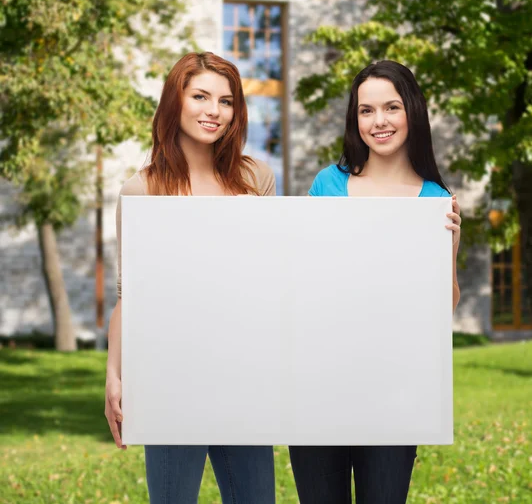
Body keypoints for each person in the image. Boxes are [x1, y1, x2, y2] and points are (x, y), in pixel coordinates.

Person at [104, 52, 276, 504]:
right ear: (174, 102)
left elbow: (272, 279)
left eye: (226, 100)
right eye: (200, 96)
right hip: (168, 373)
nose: (213, 111)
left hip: (244, 371)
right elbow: (129, 293)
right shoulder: (142, 189)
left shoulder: (255, 178)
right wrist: (114, 375)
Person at [289, 60, 462, 504]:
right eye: (366, 111)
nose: (379, 121)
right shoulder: (328, 184)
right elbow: (299, 287)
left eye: (391, 107)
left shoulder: (436, 201)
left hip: (395, 393)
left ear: (413, 113)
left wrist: (450, 251)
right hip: (318, 387)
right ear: (355, 119)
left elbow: (441, 308)